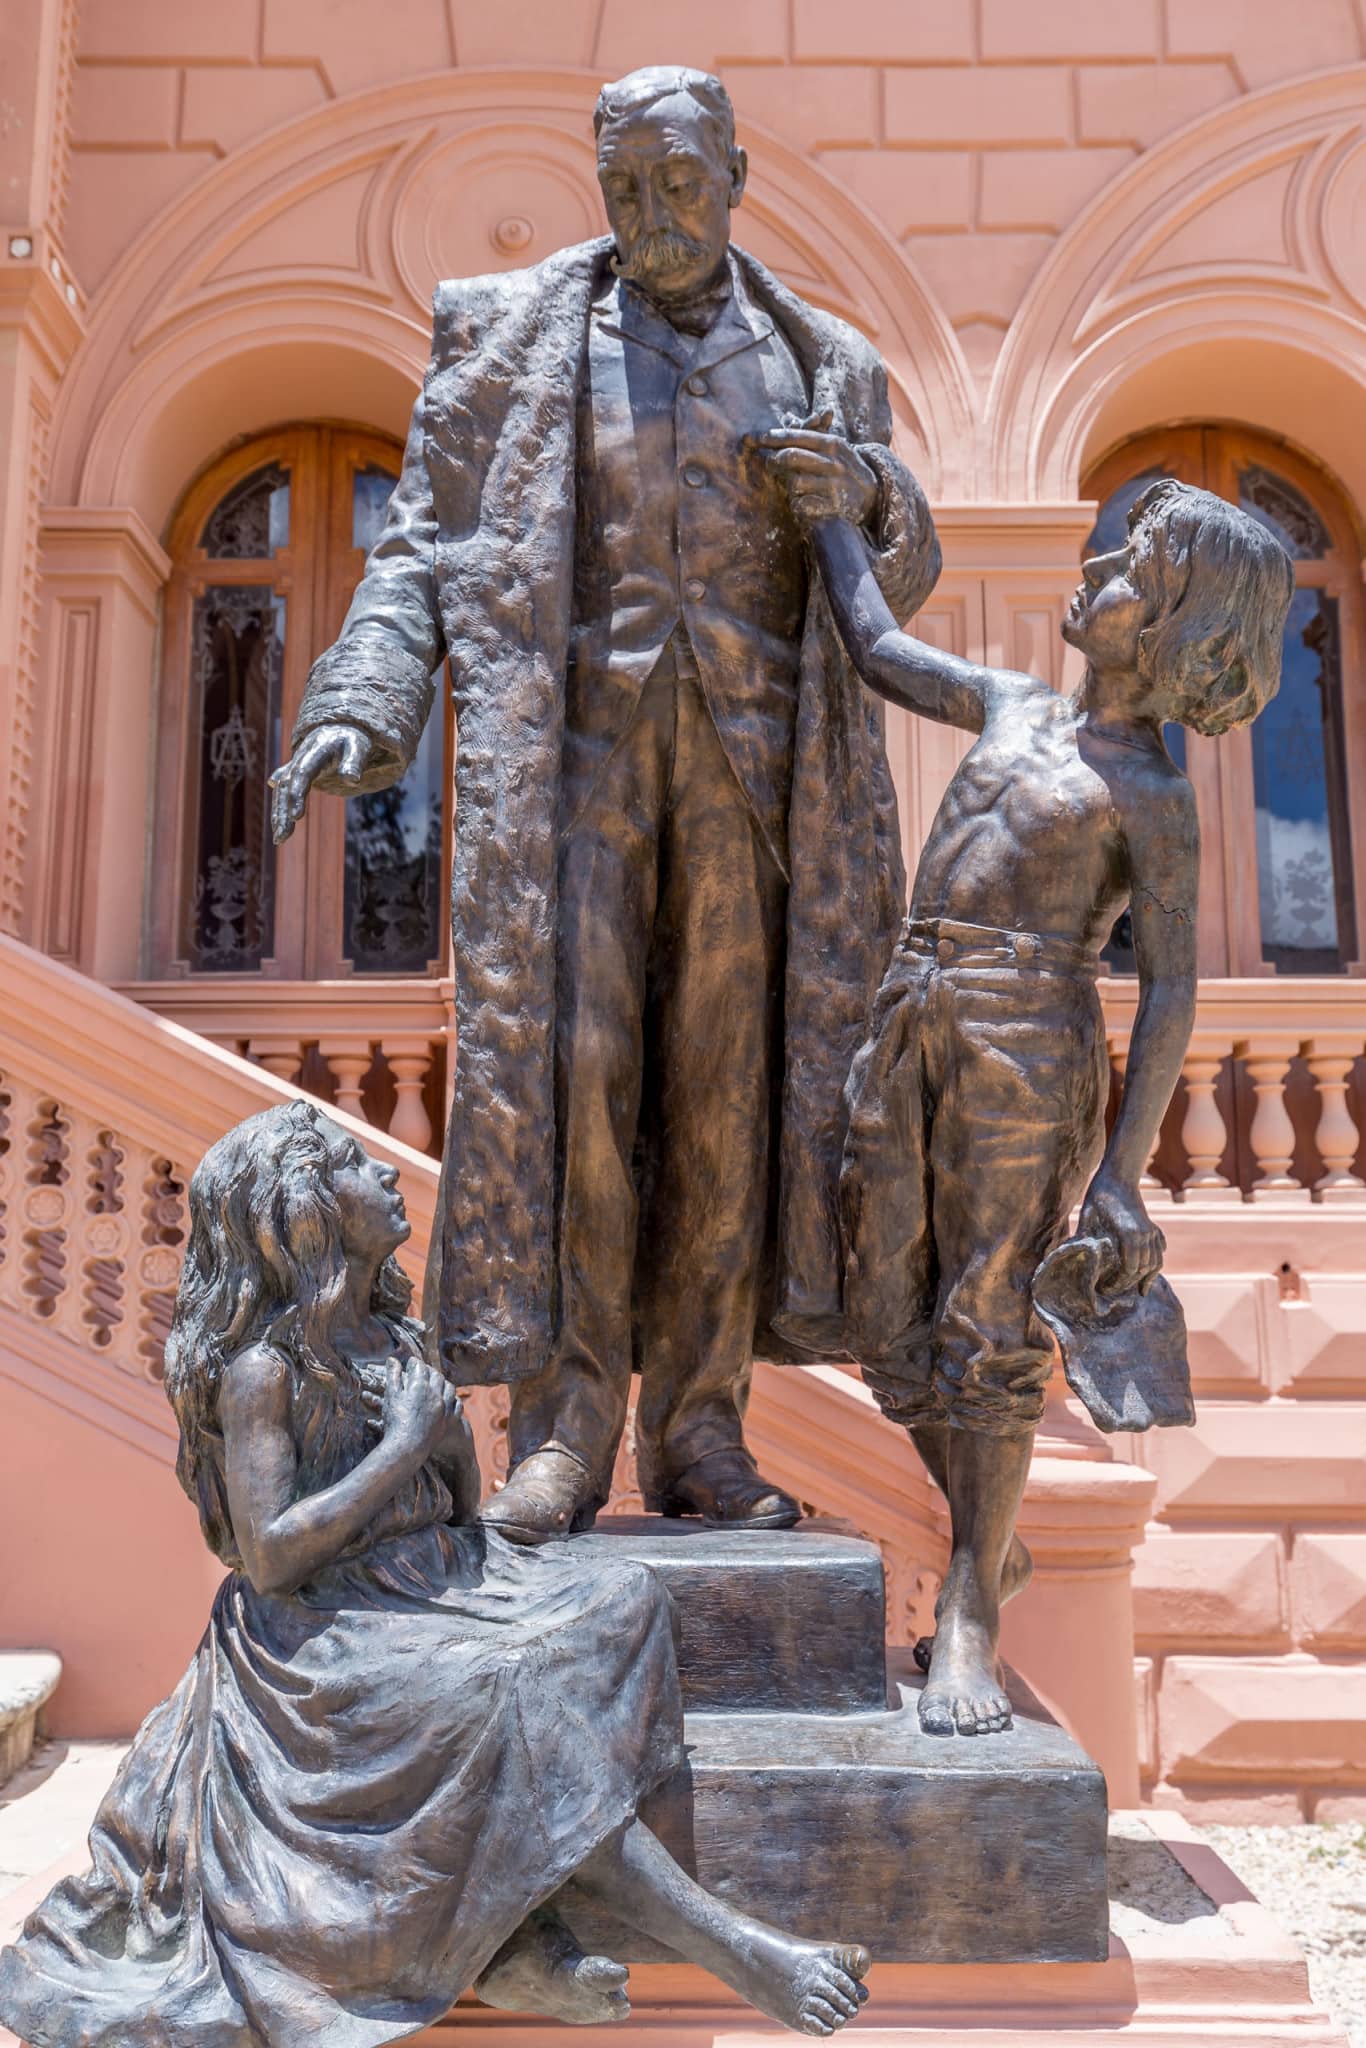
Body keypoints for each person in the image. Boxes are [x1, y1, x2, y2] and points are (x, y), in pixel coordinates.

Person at [268, 65, 940, 1544]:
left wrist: (868, 500)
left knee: (724, 1098)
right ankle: (563, 1434)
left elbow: (896, 577)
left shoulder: (826, 360)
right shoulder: (512, 338)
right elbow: (421, 547)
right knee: (572, 1087)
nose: (653, 211)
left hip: (758, 783)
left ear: (736, 176)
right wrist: (361, 702)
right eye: (625, 186)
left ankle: (700, 1432)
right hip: (576, 774)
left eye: (680, 181)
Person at [0, 1103, 871, 2044]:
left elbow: (457, 1507)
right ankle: (740, 1950)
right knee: (506, 1692)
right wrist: (401, 1447)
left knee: (625, 1600)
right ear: (306, 1211)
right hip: (322, 1623)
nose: (385, 1174)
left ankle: (512, 1940)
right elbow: (273, 1554)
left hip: (431, 1576)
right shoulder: (266, 1372)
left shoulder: (393, 1341)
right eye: (353, 1165)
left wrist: (444, 1444)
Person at [752, 471, 1292, 1738]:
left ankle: (969, 1614)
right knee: (878, 1308)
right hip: (913, 1013)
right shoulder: (1010, 701)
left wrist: (1119, 1174)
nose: (1094, 572)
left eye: (1129, 573)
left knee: (986, 1322)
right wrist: (829, 513)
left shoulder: (1151, 797)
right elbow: (877, 646)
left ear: (1176, 634)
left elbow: (1169, 990)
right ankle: (988, 1541)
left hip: (1028, 1041)